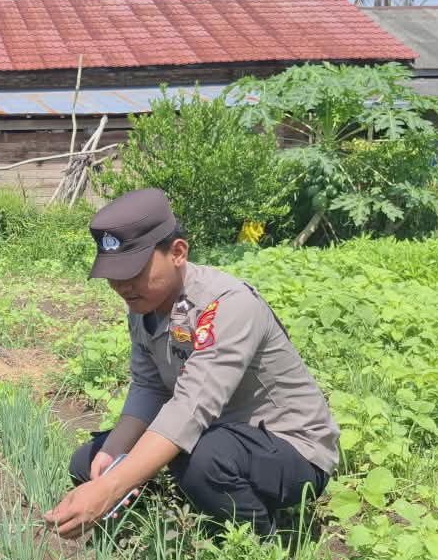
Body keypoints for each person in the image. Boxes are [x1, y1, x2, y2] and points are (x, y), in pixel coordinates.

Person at [44, 188, 338, 540]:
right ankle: (176, 514)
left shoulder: (228, 305)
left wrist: (110, 490)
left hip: (288, 447)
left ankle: (261, 546)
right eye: (113, 273)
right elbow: (150, 387)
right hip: (209, 433)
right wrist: (113, 452)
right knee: (88, 464)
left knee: (203, 460)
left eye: (133, 270)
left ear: (178, 253)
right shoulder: (144, 306)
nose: (121, 285)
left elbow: (190, 408)